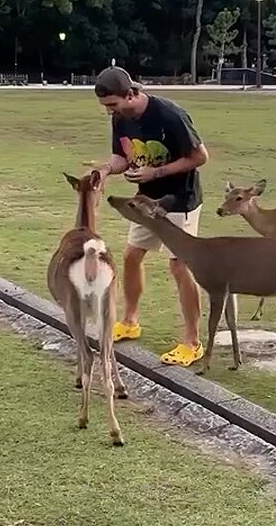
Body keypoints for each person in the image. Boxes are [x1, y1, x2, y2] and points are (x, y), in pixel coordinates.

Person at [89, 66, 211, 367]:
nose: (109, 113)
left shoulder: (170, 115)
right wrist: (104, 170)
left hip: (179, 201)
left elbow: (200, 157)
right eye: (106, 107)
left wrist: (156, 171)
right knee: (132, 255)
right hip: (146, 201)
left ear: (131, 94)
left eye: (112, 105)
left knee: (179, 266)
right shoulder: (122, 118)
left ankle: (192, 342)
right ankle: (130, 321)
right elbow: (122, 156)